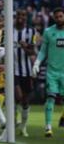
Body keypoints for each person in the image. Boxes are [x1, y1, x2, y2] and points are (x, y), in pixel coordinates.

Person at [32, 7, 64, 137]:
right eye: (57, 17)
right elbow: (43, 50)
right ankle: (48, 126)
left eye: (61, 16)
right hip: (52, 72)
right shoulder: (48, 32)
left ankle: (62, 118)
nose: (59, 19)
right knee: (50, 98)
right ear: (53, 18)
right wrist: (37, 63)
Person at [13, 9, 37, 137]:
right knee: (18, 96)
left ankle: (23, 127)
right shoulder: (8, 31)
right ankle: (13, 121)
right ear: (15, 17)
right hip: (13, 71)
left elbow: (32, 53)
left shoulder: (32, 32)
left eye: (23, 15)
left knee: (25, 101)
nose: (21, 17)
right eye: (19, 15)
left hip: (26, 71)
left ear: (26, 17)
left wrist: (25, 46)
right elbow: (1, 49)